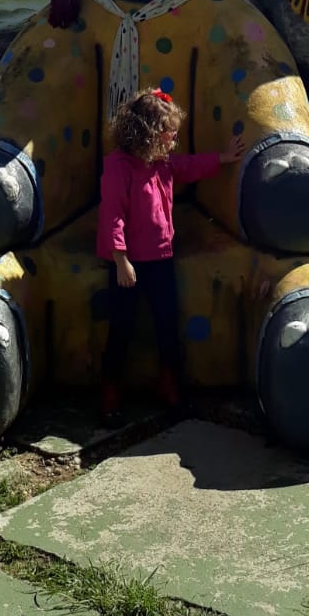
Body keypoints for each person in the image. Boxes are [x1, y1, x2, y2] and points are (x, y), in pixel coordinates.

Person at [96, 87, 244, 427]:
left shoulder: (161, 163)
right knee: (122, 327)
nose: (173, 136)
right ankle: (110, 389)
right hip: (128, 264)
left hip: (161, 258)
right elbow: (113, 214)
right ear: (148, 132)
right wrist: (120, 259)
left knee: (167, 324)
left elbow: (189, 166)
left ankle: (169, 384)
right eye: (168, 130)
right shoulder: (120, 167)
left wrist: (223, 158)